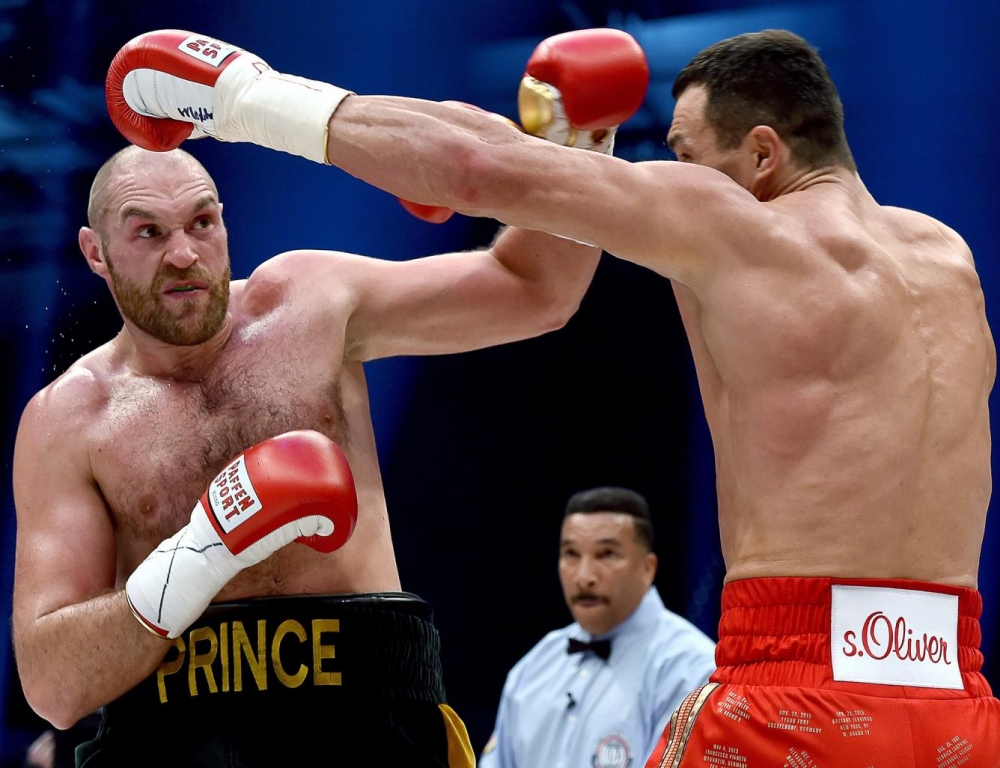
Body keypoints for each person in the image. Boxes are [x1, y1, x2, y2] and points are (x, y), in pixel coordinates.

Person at [103, 24, 1000, 766]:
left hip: (795, 697)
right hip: (960, 710)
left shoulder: (738, 230)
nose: (670, 176)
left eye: (687, 154)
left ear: (764, 155)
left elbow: (468, 168)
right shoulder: (949, 261)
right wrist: (568, 157)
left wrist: (244, 96)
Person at [12, 32, 651, 768]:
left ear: (226, 220)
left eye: (202, 222)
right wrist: (198, 555)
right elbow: (55, 685)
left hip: (370, 718)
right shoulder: (70, 417)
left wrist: (581, 146)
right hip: (172, 736)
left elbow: (539, 291)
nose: (183, 253)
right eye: (148, 233)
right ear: (96, 253)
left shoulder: (310, 303)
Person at [478, 487, 715, 768]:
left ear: (647, 568)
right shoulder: (533, 669)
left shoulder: (690, 668)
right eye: (571, 554)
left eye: (606, 554)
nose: (584, 576)